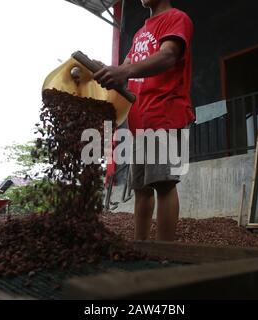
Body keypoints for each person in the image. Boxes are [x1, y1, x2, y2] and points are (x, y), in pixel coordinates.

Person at [94, 0, 194, 241]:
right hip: (140, 120)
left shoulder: (177, 18)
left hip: (165, 114)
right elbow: (125, 68)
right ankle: (139, 248)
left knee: (164, 184)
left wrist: (124, 72)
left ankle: (164, 254)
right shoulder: (140, 32)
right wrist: (104, 71)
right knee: (141, 189)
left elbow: (168, 55)